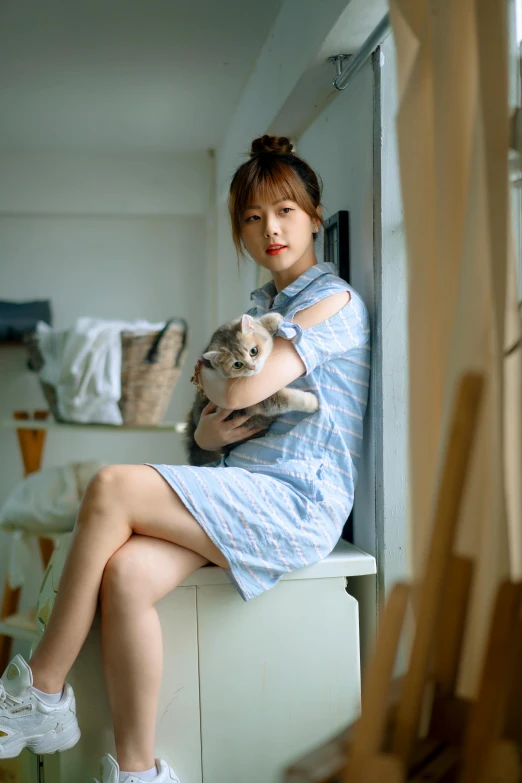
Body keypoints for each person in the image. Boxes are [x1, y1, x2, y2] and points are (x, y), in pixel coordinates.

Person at [0, 135, 370, 782]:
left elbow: (240, 386)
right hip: (239, 486)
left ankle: (42, 690)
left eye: (284, 211)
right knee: (127, 574)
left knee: (112, 486)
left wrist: (218, 388)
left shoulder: (333, 301)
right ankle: (139, 771)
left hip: (295, 500)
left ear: (314, 217)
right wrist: (215, 417)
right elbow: (205, 428)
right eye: (252, 219)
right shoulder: (262, 309)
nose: (270, 229)